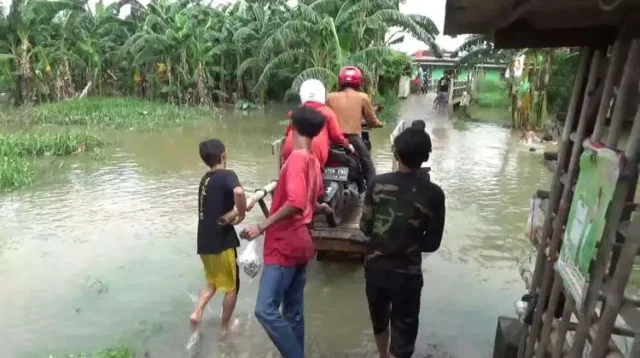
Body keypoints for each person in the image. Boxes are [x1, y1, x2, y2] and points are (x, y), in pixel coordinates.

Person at [241, 106, 325, 358]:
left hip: (285, 244)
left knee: (264, 310)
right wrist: (328, 213)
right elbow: (314, 201)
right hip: (302, 244)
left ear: (292, 129)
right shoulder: (314, 161)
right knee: (293, 312)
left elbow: (297, 201)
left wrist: (261, 226)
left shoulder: (298, 158)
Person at [360, 126, 446, 358]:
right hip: (407, 274)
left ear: (396, 154)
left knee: (379, 320)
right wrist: (409, 241)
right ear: (426, 157)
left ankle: (382, 355)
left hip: (375, 269)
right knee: (405, 329)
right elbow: (433, 242)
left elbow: (364, 227)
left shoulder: (377, 185)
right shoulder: (434, 194)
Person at [190, 139, 247, 333]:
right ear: (224, 155)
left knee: (213, 282)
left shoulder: (205, 179)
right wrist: (241, 212)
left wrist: (233, 213)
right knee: (232, 286)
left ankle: (196, 312)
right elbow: (239, 191)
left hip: (203, 242)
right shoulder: (227, 175)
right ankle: (225, 327)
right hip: (221, 242)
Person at [326, 66, 383, 186]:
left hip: (332, 138)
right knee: (368, 166)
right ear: (358, 81)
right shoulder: (363, 97)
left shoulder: (330, 97)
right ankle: (371, 194)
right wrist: (379, 124)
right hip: (353, 139)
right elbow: (372, 120)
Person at [281, 79, 354, 167]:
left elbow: (287, 133)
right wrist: (347, 144)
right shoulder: (328, 113)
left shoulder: (296, 112)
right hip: (315, 156)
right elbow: (336, 136)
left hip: (289, 154)